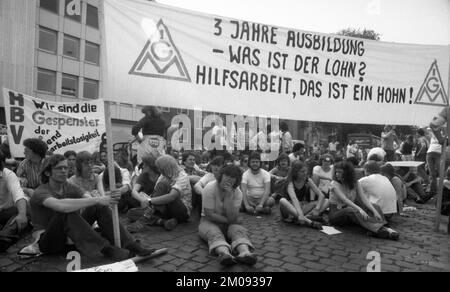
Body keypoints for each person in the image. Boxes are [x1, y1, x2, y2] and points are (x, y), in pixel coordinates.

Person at [30, 154, 153, 261]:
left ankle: (129, 244)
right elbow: (61, 206)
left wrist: (104, 198)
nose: (64, 171)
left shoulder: (67, 185)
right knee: (66, 212)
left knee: (97, 207)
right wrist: (98, 199)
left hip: (69, 238)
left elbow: (87, 196)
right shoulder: (40, 192)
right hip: (48, 242)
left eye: (65, 168)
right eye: (59, 168)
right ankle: (106, 249)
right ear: (47, 172)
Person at [198, 165, 257, 266]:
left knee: (238, 230)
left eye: (232, 177)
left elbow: (232, 217)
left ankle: (244, 253)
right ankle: (224, 254)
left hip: (227, 223)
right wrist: (231, 221)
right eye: (226, 175)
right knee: (213, 232)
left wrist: (229, 197)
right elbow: (209, 215)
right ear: (221, 176)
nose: (228, 179)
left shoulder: (238, 193)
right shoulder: (210, 187)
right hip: (208, 221)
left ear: (236, 180)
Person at [328, 161, 399, 240]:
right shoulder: (334, 184)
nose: (337, 174)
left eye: (340, 172)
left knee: (374, 206)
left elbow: (363, 198)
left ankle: (387, 229)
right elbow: (344, 200)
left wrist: (374, 211)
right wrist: (360, 209)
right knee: (350, 209)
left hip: (350, 213)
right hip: (336, 213)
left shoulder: (355, 183)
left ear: (347, 173)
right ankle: (379, 230)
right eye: (336, 172)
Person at [128, 155, 191, 232]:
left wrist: (149, 200)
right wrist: (148, 200)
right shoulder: (163, 175)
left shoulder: (182, 176)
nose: (159, 170)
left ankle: (145, 220)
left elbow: (171, 196)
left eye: (160, 168)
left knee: (163, 184)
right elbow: (156, 193)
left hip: (181, 211)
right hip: (164, 209)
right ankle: (163, 222)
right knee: (131, 213)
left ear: (165, 167)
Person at [278, 161, 327, 229]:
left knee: (326, 201)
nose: (305, 173)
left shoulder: (307, 180)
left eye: (306, 171)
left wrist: (317, 209)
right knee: (282, 200)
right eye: (302, 171)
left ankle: (304, 217)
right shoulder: (290, 182)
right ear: (296, 173)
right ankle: (309, 221)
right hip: (290, 209)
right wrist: (300, 214)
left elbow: (321, 195)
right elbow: (294, 198)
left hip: (301, 207)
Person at [0, 150, 29, 252]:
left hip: (7, 211)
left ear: (2, 165)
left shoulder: (9, 175)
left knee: (21, 210)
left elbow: (18, 194)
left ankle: (5, 237)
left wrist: (22, 214)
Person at [426, 129, 441, 198]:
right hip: (429, 154)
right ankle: (432, 191)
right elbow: (427, 129)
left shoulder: (445, 134)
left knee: (441, 173)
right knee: (432, 174)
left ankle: (442, 191)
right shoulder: (432, 134)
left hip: (438, 154)